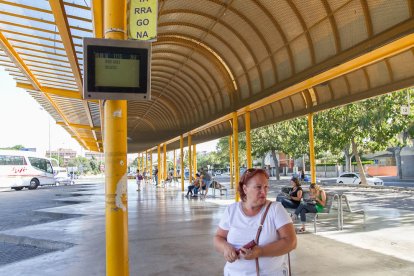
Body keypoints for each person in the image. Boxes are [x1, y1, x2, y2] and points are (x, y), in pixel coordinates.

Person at [214, 168, 296, 275]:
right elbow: (218, 238)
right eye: (258, 187)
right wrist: (225, 247)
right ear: (245, 189)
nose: (264, 191)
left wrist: (260, 251)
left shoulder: (276, 209)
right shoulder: (231, 210)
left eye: (266, 187)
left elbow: (291, 242)